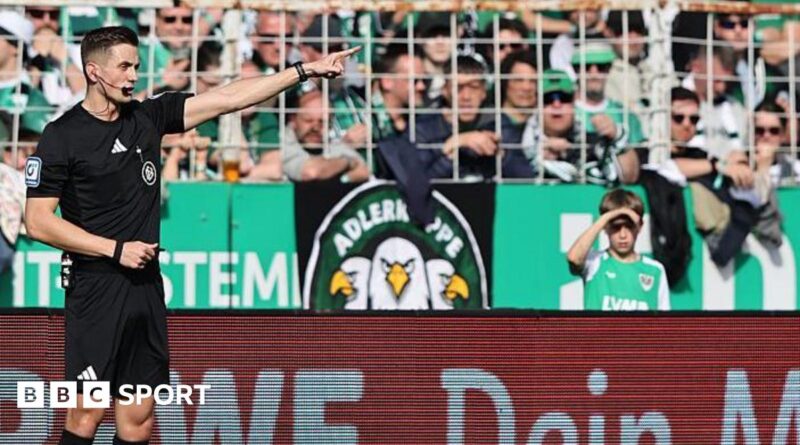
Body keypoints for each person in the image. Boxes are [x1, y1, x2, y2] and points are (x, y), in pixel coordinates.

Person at [24, 26, 358, 445]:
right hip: (95, 287)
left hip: (144, 286)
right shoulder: (63, 134)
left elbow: (229, 98)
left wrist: (303, 71)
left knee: (138, 419)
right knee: (87, 411)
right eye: (123, 67)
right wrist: (114, 250)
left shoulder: (147, 118)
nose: (133, 76)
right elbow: (37, 222)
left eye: (137, 66)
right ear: (93, 71)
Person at [567, 188, 670, 311]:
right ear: (605, 227)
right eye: (616, 227)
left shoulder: (655, 270)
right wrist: (609, 216)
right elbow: (573, 258)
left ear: (640, 226)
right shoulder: (594, 262)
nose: (622, 235)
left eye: (629, 226)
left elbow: (664, 321)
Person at [282, 90, 370, 182]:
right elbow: (311, 172)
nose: (315, 128)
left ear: (330, 124)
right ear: (293, 120)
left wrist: (343, 179)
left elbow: (364, 172)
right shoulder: (279, 141)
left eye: (322, 122)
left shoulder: (332, 143)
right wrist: (346, 163)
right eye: (308, 120)